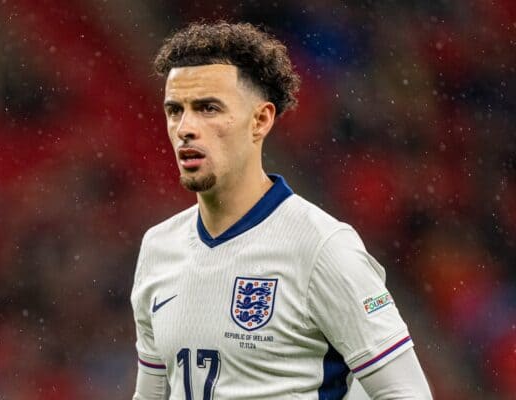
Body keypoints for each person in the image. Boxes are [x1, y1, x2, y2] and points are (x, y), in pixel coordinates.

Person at [131, 21, 432, 400]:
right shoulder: (159, 248)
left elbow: (406, 393)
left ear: (260, 120)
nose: (185, 128)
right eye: (175, 110)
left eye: (208, 108)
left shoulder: (322, 247)